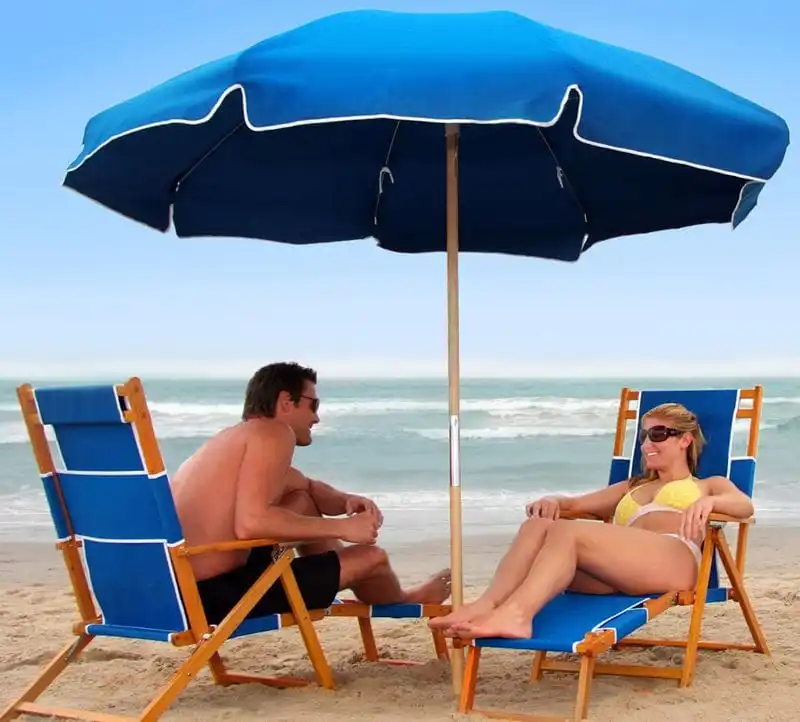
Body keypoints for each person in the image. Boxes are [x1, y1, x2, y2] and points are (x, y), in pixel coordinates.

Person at [429, 401, 754, 640]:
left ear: (684, 440)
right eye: (643, 436)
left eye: (657, 434)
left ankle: (517, 615)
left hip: (674, 560)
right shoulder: (632, 486)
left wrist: (710, 501)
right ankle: (486, 605)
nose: (647, 444)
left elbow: (744, 505)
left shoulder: (705, 484)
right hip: (618, 572)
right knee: (539, 525)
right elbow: (573, 505)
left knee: (568, 532)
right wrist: (551, 501)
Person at [171, 361, 451, 624]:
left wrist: (345, 501)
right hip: (216, 596)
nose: (316, 417)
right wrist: (343, 527)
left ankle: (341, 569)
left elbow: (306, 487)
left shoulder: (230, 441)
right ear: (286, 401)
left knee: (303, 501)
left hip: (176, 592)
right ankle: (403, 599)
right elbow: (251, 523)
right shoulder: (275, 433)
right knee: (373, 558)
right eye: (313, 404)